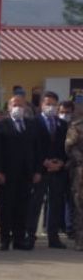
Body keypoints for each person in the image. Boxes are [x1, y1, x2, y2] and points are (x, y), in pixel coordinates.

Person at [0, 95, 43, 250]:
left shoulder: (32, 125)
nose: (18, 108)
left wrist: (37, 171)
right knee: (6, 207)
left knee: (23, 207)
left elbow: (37, 150)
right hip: (7, 174)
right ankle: (4, 238)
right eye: (15, 105)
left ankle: (19, 238)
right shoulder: (1, 125)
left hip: (26, 174)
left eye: (21, 105)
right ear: (9, 107)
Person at [28, 91, 68, 249]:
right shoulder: (33, 123)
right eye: (47, 104)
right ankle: (30, 235)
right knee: (35, 203)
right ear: (41, 105)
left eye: (53, 104)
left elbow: (66, 147)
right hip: (40, 170)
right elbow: (31, 147)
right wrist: (43, 162)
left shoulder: (62, 124)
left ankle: (53, 236)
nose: (50, 107)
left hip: (57, 170)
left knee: (56, 204)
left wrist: (60, 162)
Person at [66, 107, 83, 251]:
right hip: (80, 173)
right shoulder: (77, 126)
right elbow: (70, 147)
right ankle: (80, 240)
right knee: (80, 207)